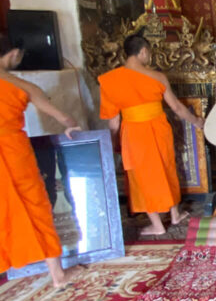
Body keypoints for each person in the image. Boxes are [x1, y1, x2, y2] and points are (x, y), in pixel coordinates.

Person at [99, 33, 204, 236]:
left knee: (142, 177)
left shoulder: (110, 80)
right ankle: (173, 215)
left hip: (133, 133)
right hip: (158, 129)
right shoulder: (157, 77)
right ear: (143, 52)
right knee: (166, 169)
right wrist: (197, 122)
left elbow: (113, 121)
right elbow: (177, 108)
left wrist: (114, 142)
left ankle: (158, 223)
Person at [0, 32, 81, 287]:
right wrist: (70, 126)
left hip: (13, 150)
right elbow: (62, 117)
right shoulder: (22, 86)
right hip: (14, 151)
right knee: (37, 206)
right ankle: (57, 275)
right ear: (13, 54)